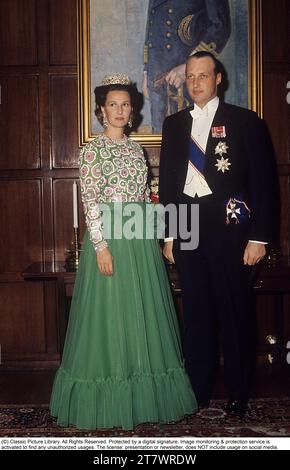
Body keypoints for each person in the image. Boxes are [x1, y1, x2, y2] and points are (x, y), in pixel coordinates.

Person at [50, 73, 197, 430]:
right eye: (113, 104)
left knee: (142, 313)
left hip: (139, 237)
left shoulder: (136, 150)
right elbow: (91, 200)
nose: (119, 110)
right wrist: (100, 246)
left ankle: (144, 393)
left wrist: (159, 236)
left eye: (125, 104)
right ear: (102, 110)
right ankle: (109, 396)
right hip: (111, 238)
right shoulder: (92, 150)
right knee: (110, 317)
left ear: (132, 110)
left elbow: (146, 198)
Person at [159, 52, 274, 415]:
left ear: (218, 78)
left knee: (234, 310)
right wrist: (170, 235)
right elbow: (168, 185)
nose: (195, 83)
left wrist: (260, 237)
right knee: (196, 313)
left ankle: (239, 391)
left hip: (229, 229)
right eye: (190, 76)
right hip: (189, 227)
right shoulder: (174, 125)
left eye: (203, 76)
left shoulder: (245, 121)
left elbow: (264, 183)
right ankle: (199, 389)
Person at [143, 0, 231, 131]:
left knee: (194, 137)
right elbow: (152, 24)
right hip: (157, 77)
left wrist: (189, 68)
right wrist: (146, 72)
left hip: (191, 79)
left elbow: (220, 27)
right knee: (162, 136)